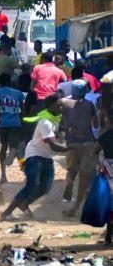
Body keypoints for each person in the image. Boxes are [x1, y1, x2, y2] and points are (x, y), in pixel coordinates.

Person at [0, 100, 66, 221]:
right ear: (50, 106)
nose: (61, 107)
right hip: (35, 155)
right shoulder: (45, 122)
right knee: (32, 184)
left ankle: (24, 204)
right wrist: (72, 148)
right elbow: (54, 145)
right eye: (59, 105)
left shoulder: (55, 118)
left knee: (45, 187)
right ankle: (6, 212)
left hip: (45, 155)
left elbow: (60, 131)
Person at [57, 79, 98, 217]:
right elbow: (96, 124)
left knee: (72, 170)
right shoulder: (90, 104)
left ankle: (69, 181)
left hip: (71, 142)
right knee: (85, 177)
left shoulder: (64, 103)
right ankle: (76, 207)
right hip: (88, 142)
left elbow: (58, 123)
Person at [0, 73, 26, 184]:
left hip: (3, 124)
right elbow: (23, 111)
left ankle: (3, 175)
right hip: (15, 123)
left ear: (0, 83)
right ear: (10, 82)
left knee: (3, 146)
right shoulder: (18, 94)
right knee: (18, 148)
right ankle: (24, 170)